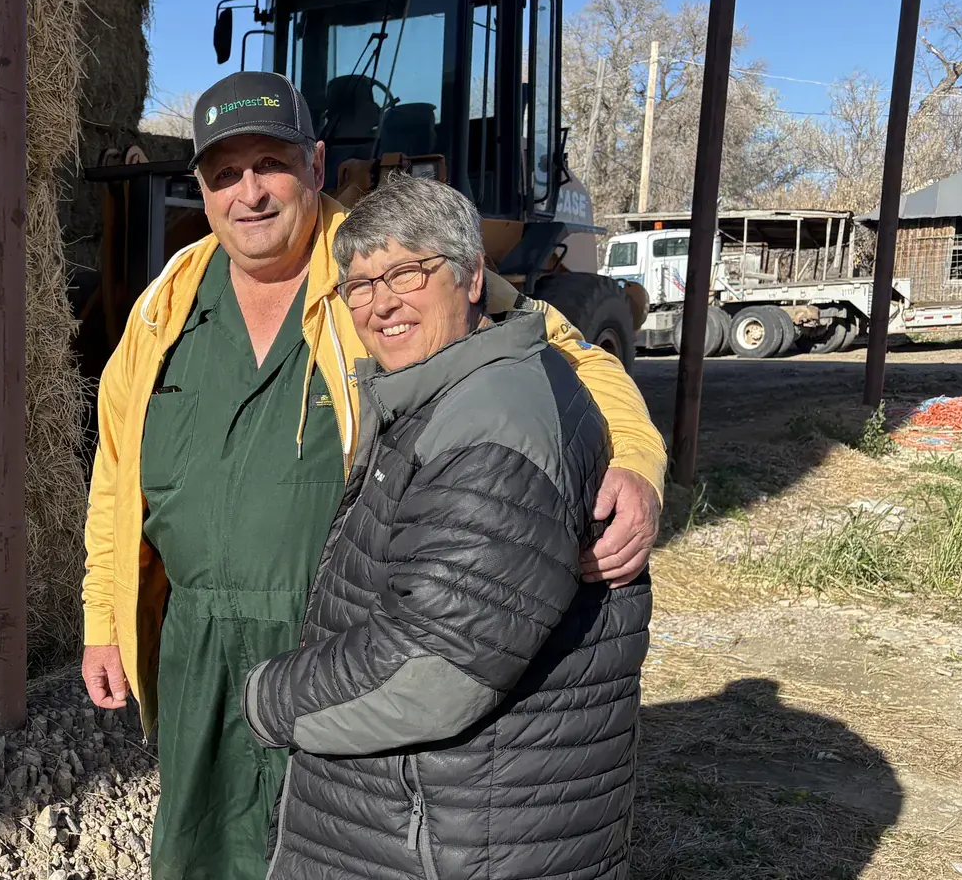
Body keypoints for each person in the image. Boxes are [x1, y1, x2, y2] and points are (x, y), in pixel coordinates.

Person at [79, 71, 663, 880]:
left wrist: (635, 466)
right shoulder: (165, 306)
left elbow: (561, 352)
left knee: (329, 846)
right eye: (224, 174)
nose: (249, 193)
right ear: (203, 190)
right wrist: (103, 620)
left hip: (342, 635)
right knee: (200, 851)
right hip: (197, 642)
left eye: (270, 165)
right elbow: (116, 472)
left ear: (315, 165)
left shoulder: (383, 266)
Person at [241, 174, 649, 879]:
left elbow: (431, 670)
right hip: (440, 817)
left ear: (470, 277)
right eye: (361, 286)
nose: (382, 302)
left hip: (445, 837)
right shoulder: (451, 390)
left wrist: (268, 698)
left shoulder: (490, 426)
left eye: (407, 271)